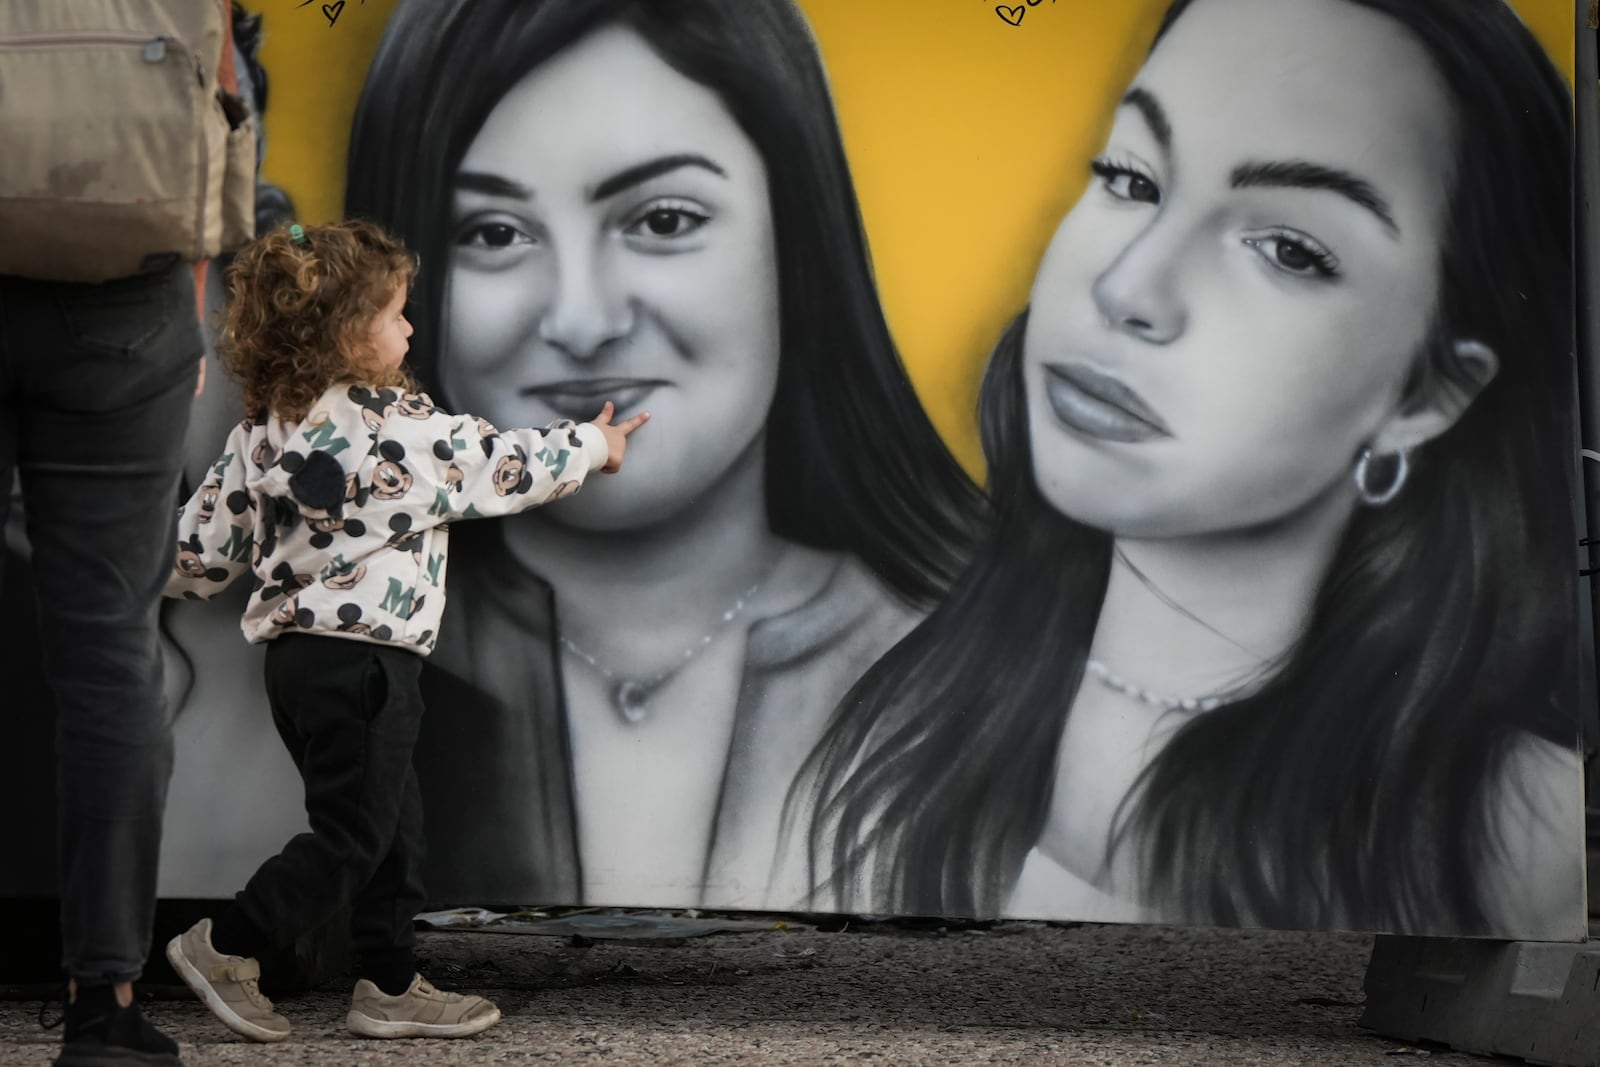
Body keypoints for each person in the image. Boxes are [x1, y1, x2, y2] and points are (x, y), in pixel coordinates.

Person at [793, 0, 1585, 939]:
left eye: (1289, 249)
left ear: (1429, 395)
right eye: (1131, 178)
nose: (1129, 287)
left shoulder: (1526, 834)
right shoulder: (871, 687)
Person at [343, 0, 987, 909]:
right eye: (493, 233)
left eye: (664, 219)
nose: (581, 320)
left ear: (796, 240)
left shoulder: (987, 666)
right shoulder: (322, 650)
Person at [159, 219, 647, 1043]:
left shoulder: (262, 433)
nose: (411, 328)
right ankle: (226, 943)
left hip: (299, 666)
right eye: (394, 315)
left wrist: (130, 568)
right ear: (349, 335)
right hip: (365, 666)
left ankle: (387, 982)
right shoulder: (398, 429)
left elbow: (200, 554)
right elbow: (499, 464)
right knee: (354, 835)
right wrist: (595, 444)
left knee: (388, 827)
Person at [0, 3, 241, 1064]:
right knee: (109, 662)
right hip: (127, 297)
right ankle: (103, 1001)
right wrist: (187, 300)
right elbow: (221, 100)